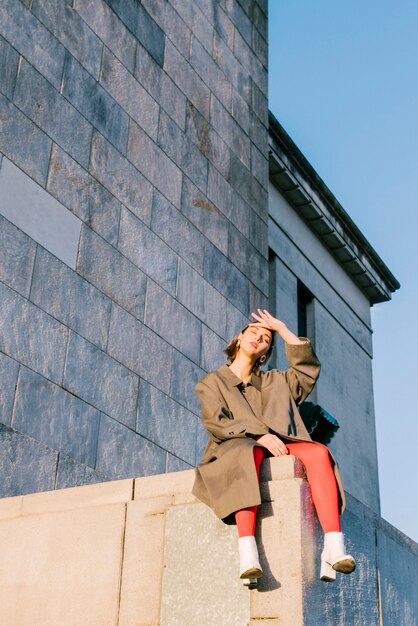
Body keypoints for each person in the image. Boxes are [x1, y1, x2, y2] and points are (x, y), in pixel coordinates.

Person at [192, 309, 355, 586]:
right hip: (233, 450)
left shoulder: (276, 381)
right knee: (247, 451)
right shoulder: (212, 382)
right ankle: (247, 551)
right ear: (238, 339)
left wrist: (282, 329)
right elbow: (215, 422)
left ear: (266, 352)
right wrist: (257, 435)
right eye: (254, 332)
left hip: (281, 446)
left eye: (266, 338)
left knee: (318, 452)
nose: (260, 337)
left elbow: (306, 372)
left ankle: (333, 544)